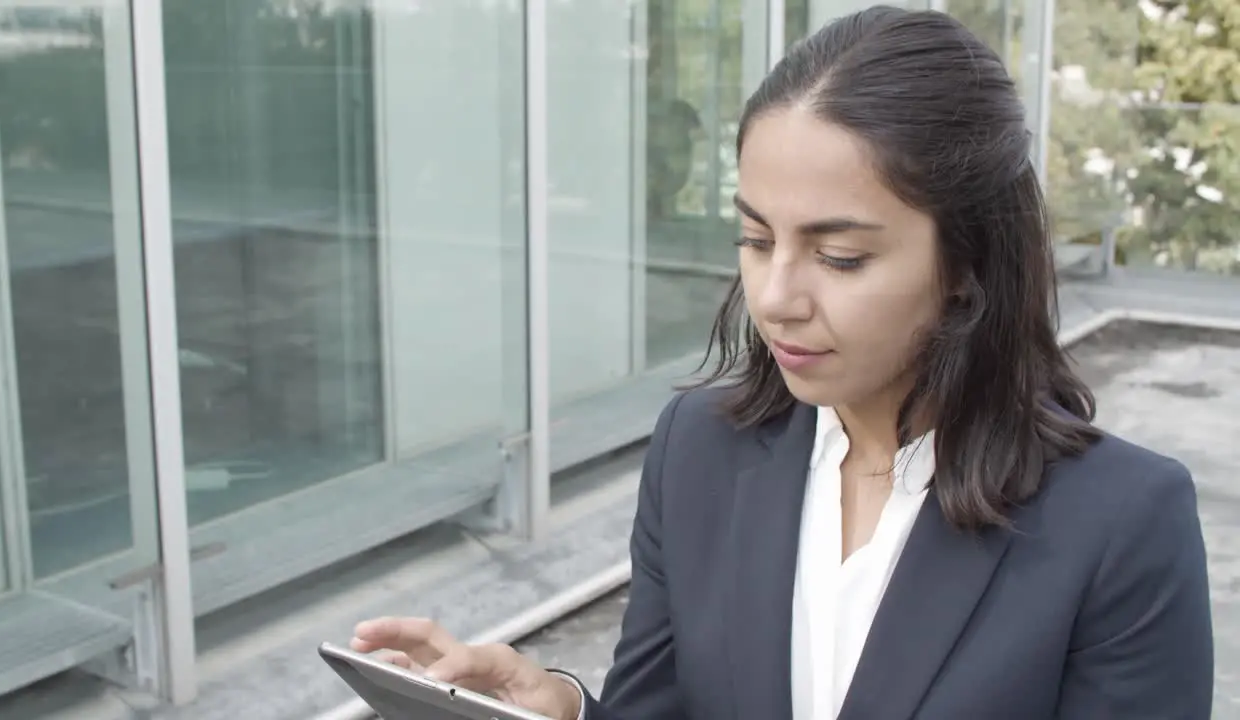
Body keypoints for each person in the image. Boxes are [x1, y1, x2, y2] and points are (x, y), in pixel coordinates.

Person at [351, 7, 1214, 719]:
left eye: (839, 257)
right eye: (756, 238)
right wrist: (562, 710)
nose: (776, 296)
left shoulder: (1121, 524)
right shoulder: (700, 449)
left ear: (967, 267)